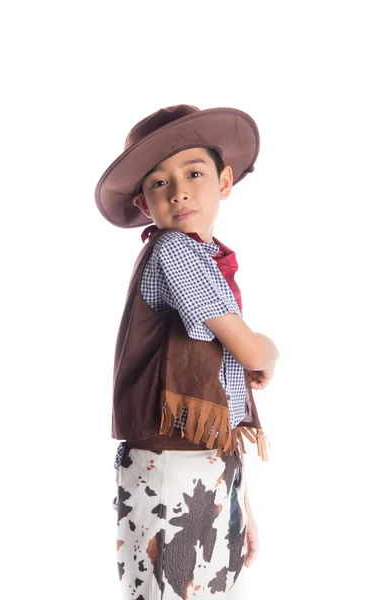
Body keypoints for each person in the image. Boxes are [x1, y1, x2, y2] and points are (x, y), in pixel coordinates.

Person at [95, 104, 279, 599]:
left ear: (223, 182)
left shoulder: (202, 256)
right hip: (171, 468)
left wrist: (237, 498)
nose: (178, 191)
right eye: (159, 183)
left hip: (209, 467)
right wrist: (268, 353)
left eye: (193, 173)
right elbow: (248, 347)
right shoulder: (175, 250)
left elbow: (219, 372)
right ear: (141, 204)